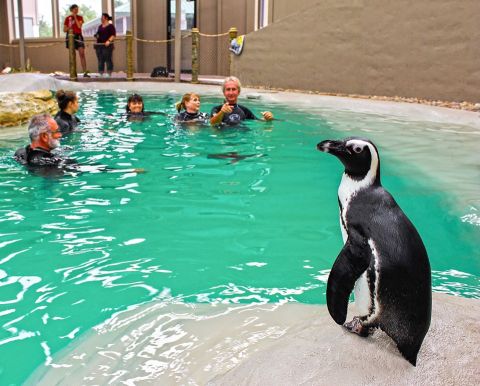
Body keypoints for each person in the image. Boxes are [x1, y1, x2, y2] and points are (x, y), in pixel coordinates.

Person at [63, 4, 89, 77]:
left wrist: (75, 17)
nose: (76, 10)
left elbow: (79, 26)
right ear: (71, 10)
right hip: (71, 36)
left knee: (82, 53)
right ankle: (73, 72)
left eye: (77, 9)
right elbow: (64, 30)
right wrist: (70, 26)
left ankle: (85, 72)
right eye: (75, 9)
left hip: (78, 35)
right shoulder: (67, 18)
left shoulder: (80, 17)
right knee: (72, 54)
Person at [94, 13, 116, 77]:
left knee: (108, 59)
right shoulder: (100, 26)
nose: (101, 18)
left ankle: (109, 73)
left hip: (107, 46)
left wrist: (109, 41)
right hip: (99, 45)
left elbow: (113, 35)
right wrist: (96, 36)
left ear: (106, 18)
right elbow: (98, 34)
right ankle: (101, 73)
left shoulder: (111, 26)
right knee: (100, 60)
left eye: (102, 17)